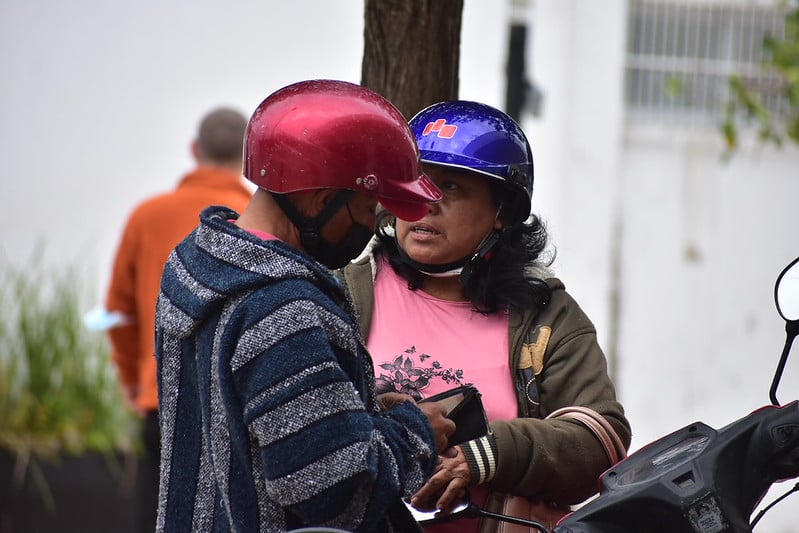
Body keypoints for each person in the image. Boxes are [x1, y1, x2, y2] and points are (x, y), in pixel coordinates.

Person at [154, 79, 456, 533]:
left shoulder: (191, 267)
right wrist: (415, 431)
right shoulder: (283, 309)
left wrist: (360, 410)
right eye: (367, 206)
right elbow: (333, 491)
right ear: (320, 199)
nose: (372, 227)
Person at [340, 100, 632, 532]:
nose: (425, 203)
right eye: (416, 183)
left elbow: (600, 441)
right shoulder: (342, 293)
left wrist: (488, 456)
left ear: (503, 212)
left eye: (451, 187)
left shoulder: (546, 315)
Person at [103, 106, 251, 533]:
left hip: (159, 400)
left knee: (156, 517)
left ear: (194, 149)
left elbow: (117, 312)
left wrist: (133, 378)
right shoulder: (252, 219)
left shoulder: (146, 215)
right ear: (246, 156)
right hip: (233, 407)